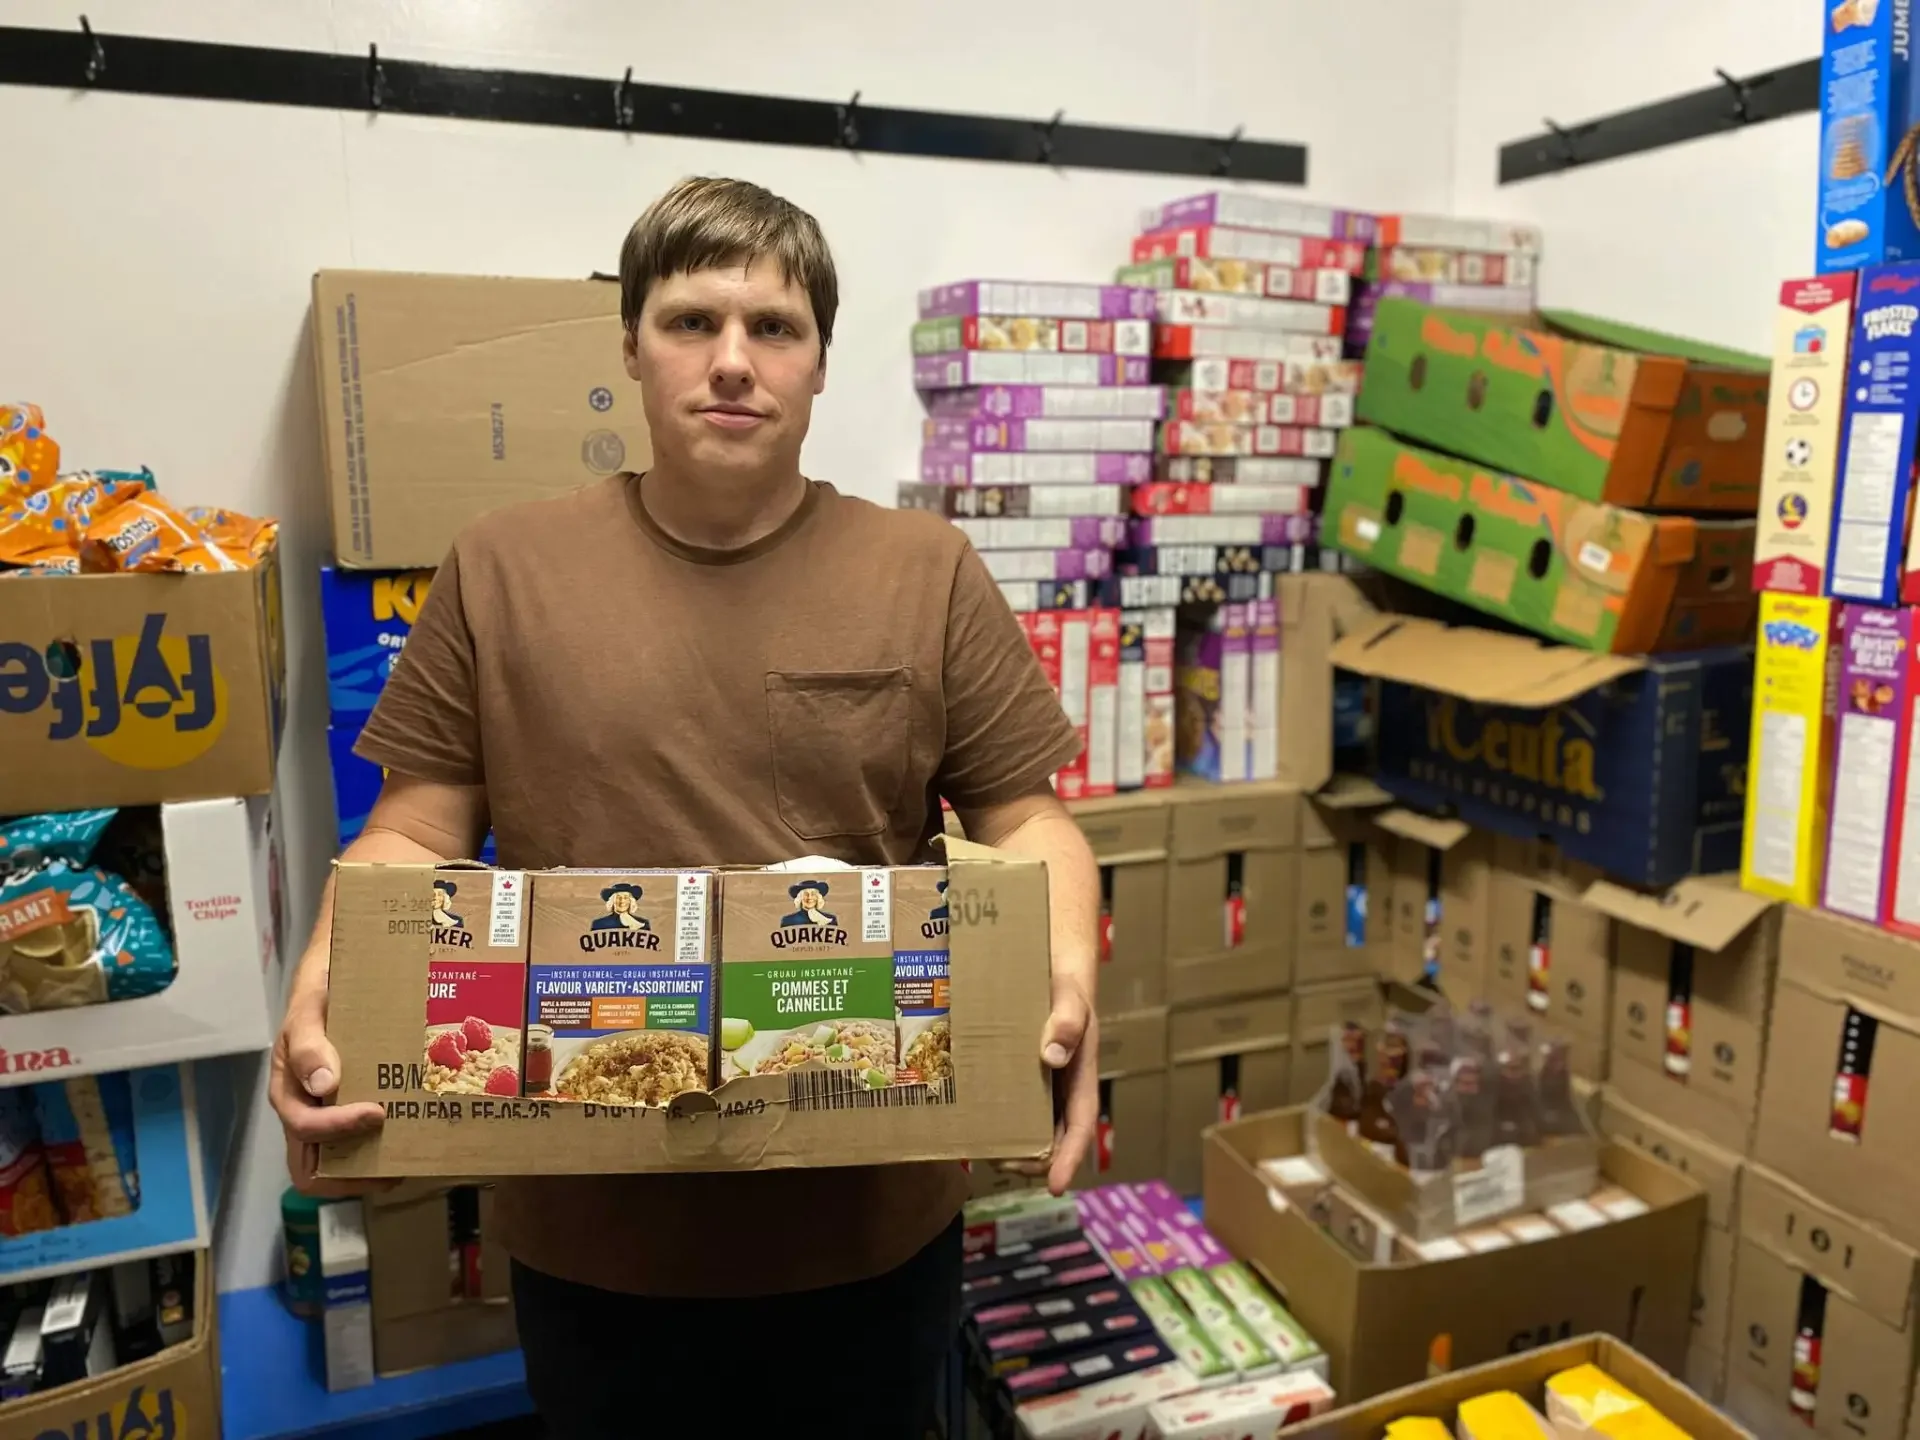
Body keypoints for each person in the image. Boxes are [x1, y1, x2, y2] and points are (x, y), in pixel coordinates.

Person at [269, 176, 1100, 1434]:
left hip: (869, 1222)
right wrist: (325, 986)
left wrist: (1070, 977)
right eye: (689, 321)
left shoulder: (923, 570)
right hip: (595, 1231)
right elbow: (415, 831)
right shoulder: (500, 568)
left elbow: (1025, 817)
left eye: (774, 328)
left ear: (821, 363)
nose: (731, 363)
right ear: (629, 350)